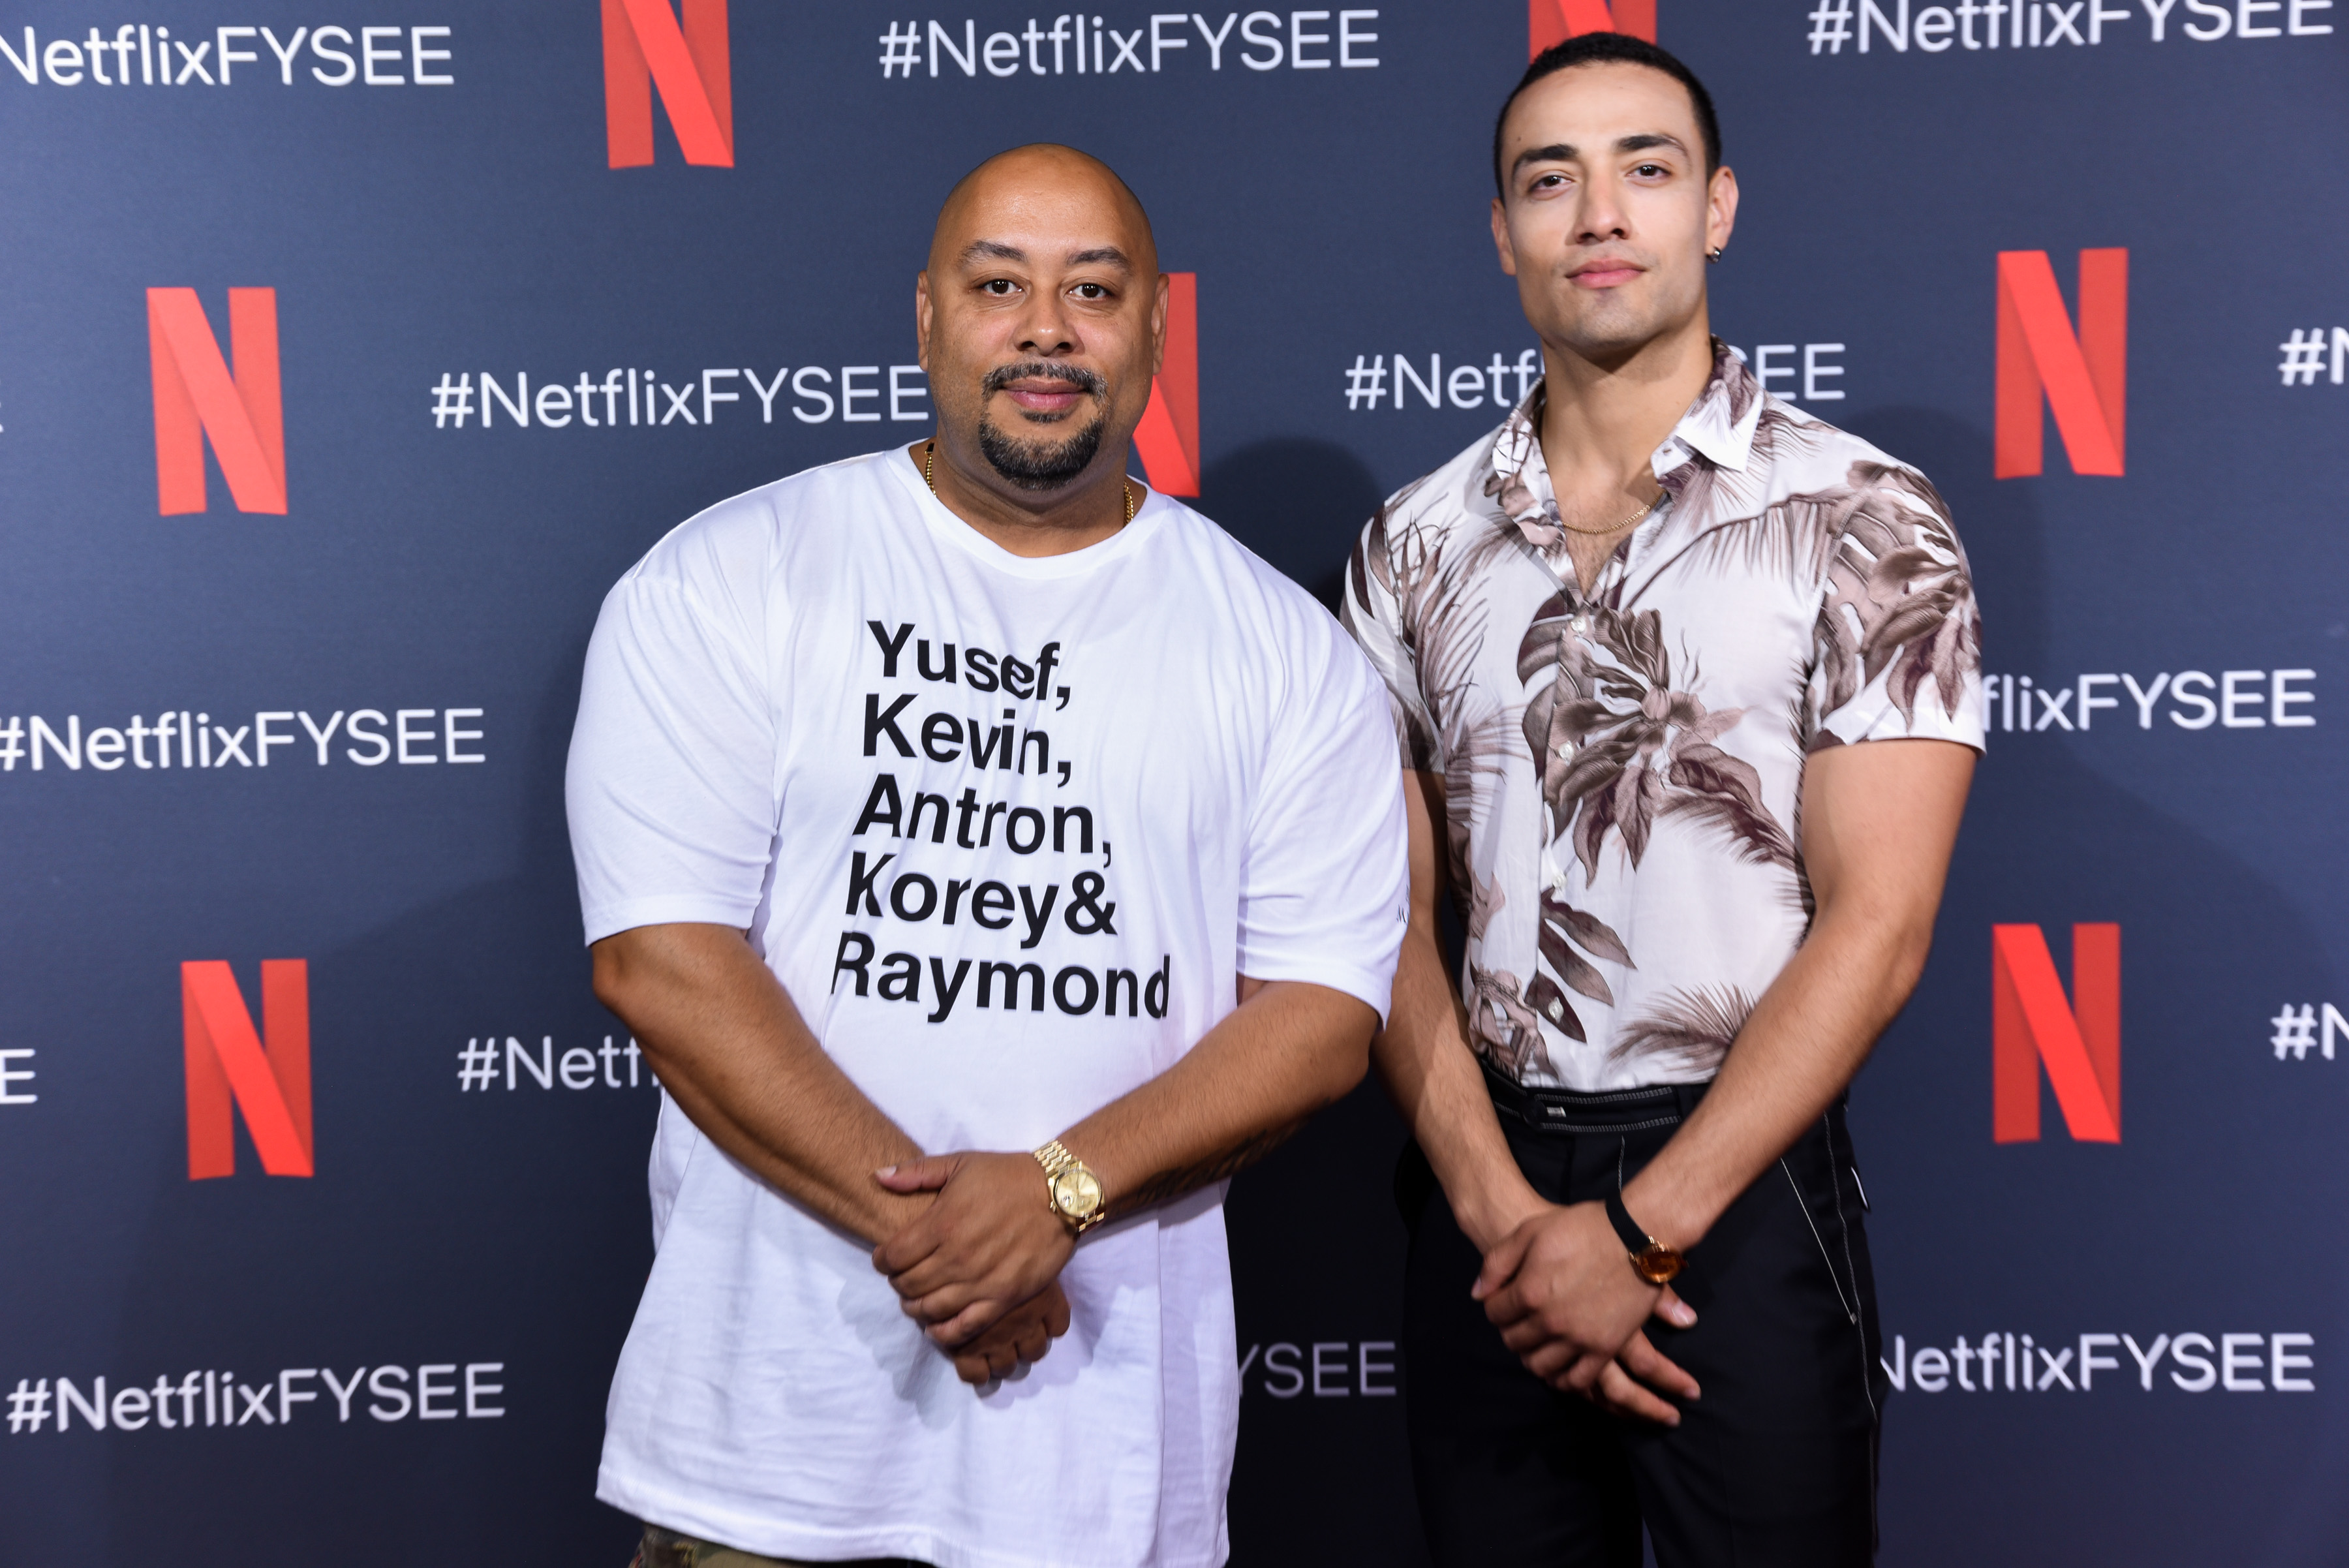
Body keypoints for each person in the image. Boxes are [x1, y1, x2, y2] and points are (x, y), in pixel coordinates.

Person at [566, 144, 1408, 1568]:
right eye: (997, 283)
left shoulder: (1284, 649)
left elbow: (1322, 1014)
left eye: (1093, 288)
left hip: (1104, 1471)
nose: (1045, 328)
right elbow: (663, 958)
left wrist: (1059, 1191)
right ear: (926, 317)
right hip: (772, 1455)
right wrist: (949, 1239)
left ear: (1153, 327)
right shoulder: (731, 577)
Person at [1341, 34, 1982, 1568]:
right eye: (1549, 180)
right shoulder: (1408, 546)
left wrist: (1637, 1234)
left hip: (1742, 1192)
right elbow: (1376, 919)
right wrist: (1509, 1223)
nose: (1599, 213)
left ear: (1719, 208)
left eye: (1646, 166)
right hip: (1482, 1201)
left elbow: (1880, 925)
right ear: (1502, 233)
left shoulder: (1862, 517)